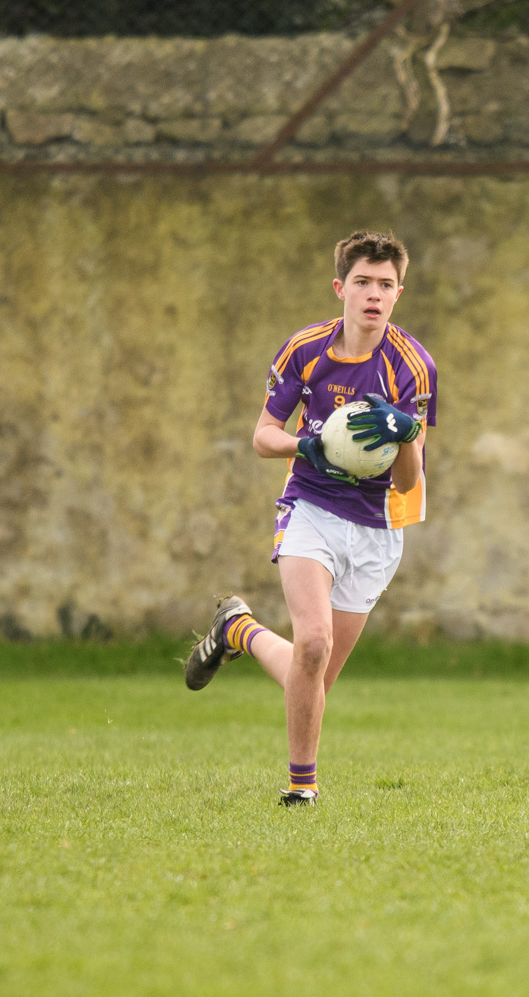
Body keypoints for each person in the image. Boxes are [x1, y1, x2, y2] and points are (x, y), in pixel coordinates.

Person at [183, 230, 437, 806]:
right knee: (313, 644)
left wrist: (406, 436)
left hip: (377, 526)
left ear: (399, 293)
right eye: (363, 282)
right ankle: (302, 791)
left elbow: (407, 482)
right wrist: (308, 446)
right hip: (311, 508)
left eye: (386, 285)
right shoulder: (305, 350)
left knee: (312, 681)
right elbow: (262, 437)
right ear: (340, 288)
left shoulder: (414, 368)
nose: (374, 294)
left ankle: (237, 631)